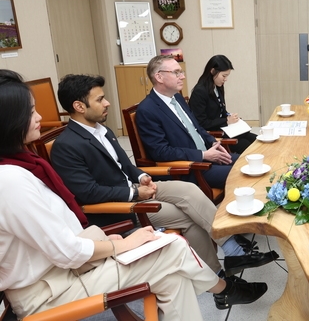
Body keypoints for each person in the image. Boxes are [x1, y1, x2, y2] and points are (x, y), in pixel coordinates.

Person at [0, 70, 268, 320]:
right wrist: (122, 243)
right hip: (54, 285)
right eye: (32, 111)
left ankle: (225, 269)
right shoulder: (12, 179)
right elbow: (70, 242)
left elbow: (59, 232)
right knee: (172, 247)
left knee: (173, 272)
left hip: (71, 263)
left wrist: (135, 186)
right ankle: (223, 287)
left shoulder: (25, 165)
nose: (39, 118)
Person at [51, 74, 278, 277]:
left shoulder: (103, 131)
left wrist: (141, 178)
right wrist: (134, 192)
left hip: (135, 189)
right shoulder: (66, 145)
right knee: (186, 215)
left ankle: (231, 253)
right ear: (79, 106)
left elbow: (126, 167)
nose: (107, 102)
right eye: (100, 99)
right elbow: (87, 192)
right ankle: (219, 273)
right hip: (117, 206)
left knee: (190, 191)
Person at [136, 55, 237, 189]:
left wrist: (212, 141)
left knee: (248, 161)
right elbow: (161, 151)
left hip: (206, 156)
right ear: (159, 77)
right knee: (240, 174)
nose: (182, 76)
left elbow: (197, 127)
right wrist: (202, 155)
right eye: (176, 73)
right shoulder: (147, 110)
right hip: (188, 169)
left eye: (181, 72)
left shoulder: (177, 98)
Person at [189, 55, 257, 154]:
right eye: (224, 76)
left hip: (224, 129)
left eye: (227, 76)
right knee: (248, 146)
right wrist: (226, 120)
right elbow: (201, 123)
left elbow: (221, 110)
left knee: (257, 139)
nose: (225, 79)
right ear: (212, 71)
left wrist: (229, 116)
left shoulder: (218, 87)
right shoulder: (200, 91)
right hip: (213, 134)